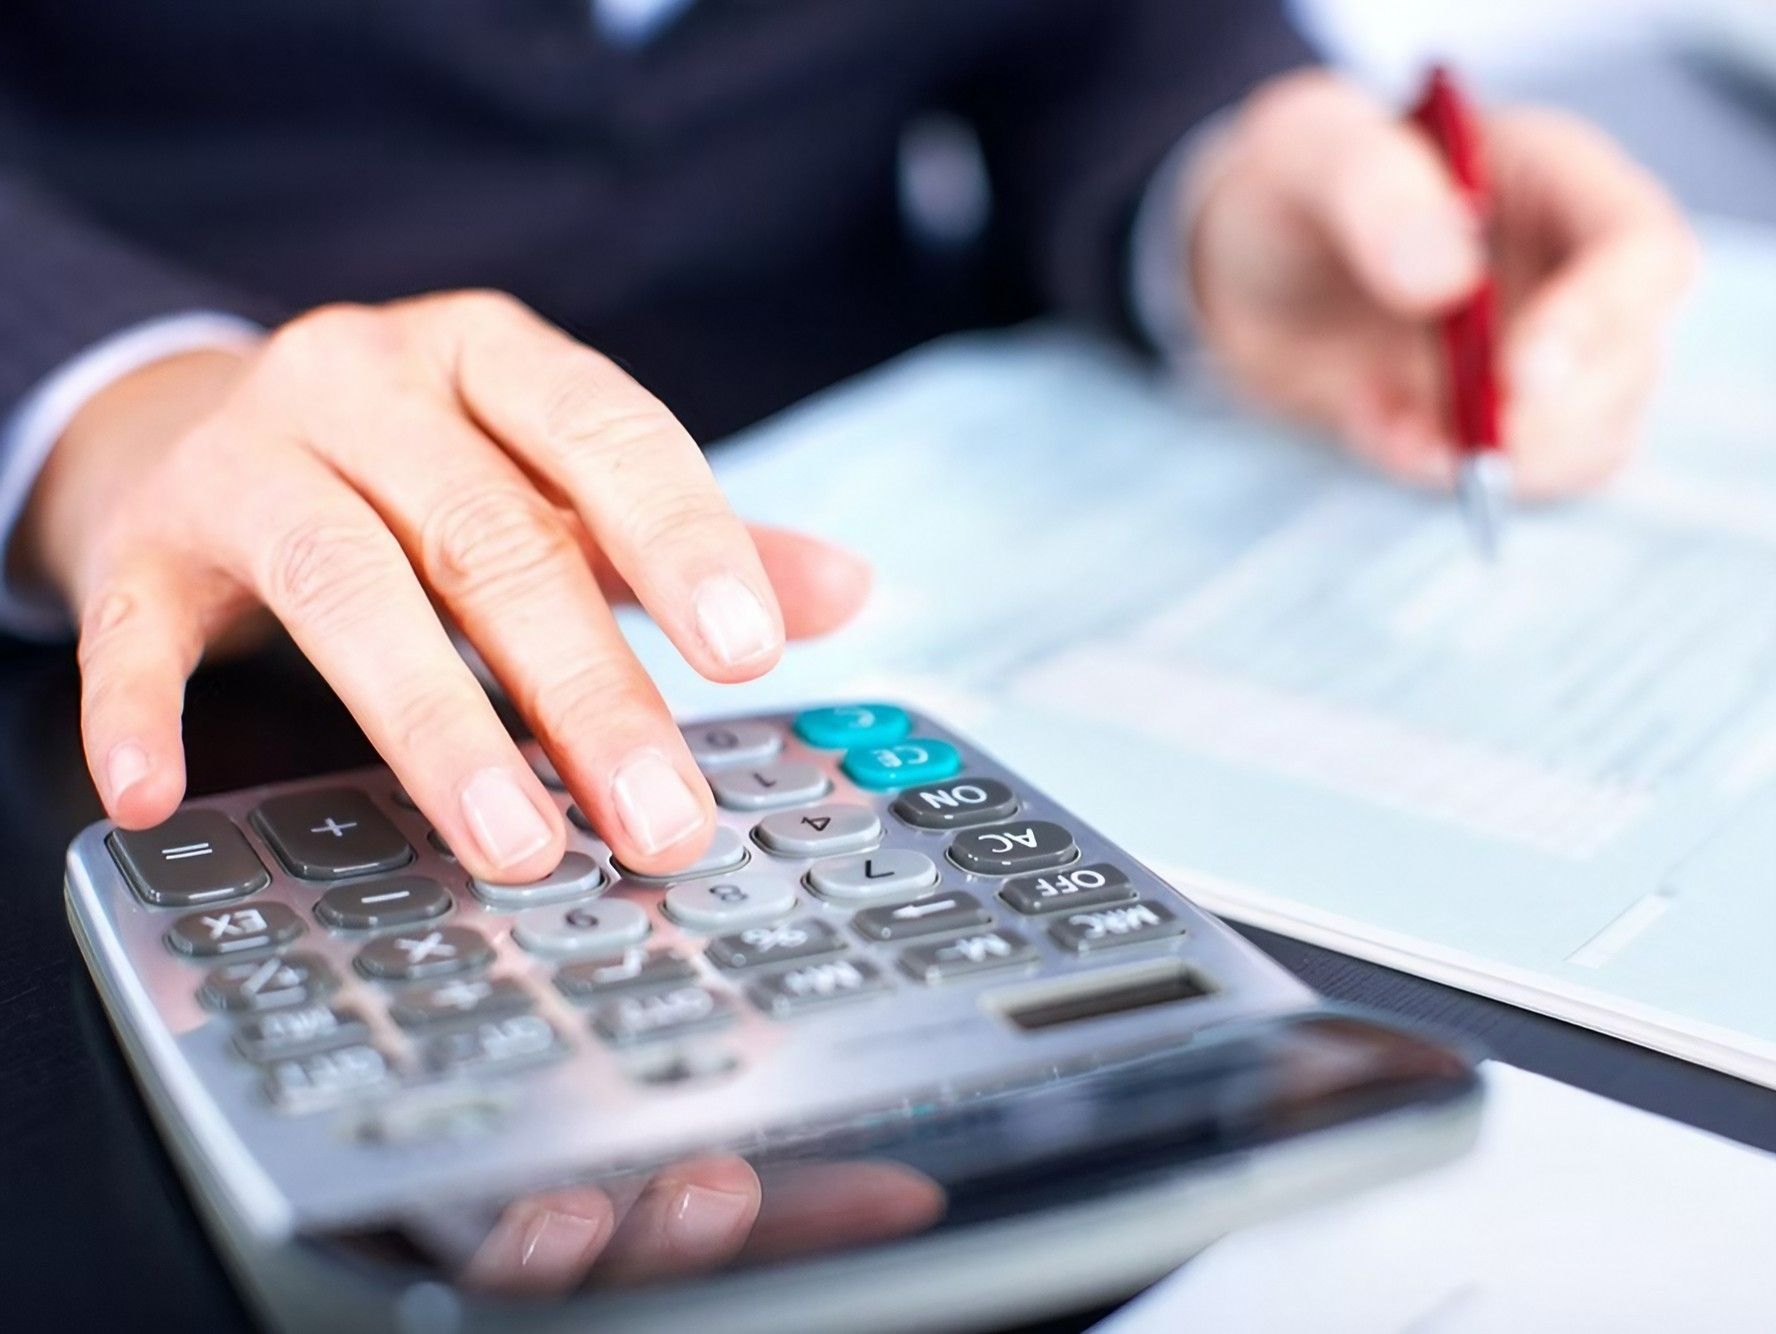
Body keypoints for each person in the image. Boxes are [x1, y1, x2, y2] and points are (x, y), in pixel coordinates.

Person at [0, 1, 1693, 890]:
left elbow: (1087, 34)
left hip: (887, 545)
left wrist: (1217, 180)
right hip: (188, 661)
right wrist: (108, 397)